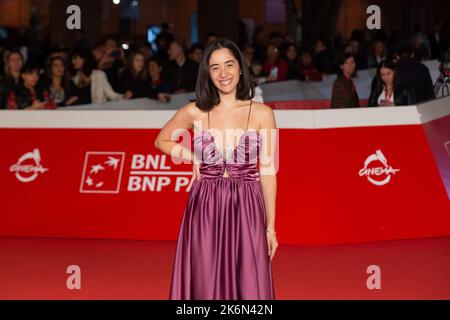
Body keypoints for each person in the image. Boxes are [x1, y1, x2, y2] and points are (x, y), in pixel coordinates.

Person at [155, 38, 277, 300]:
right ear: (207, 74)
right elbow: (162, 140)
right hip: (205, 207)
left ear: (241, 68)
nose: (224, 74)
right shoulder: (195, 111)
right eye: (215, 67)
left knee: (247, 282)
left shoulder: (263, 113)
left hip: (247, 205)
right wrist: (192, 157)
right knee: (204, 280)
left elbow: (268, 171)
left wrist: (271, 228)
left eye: (230, 65)